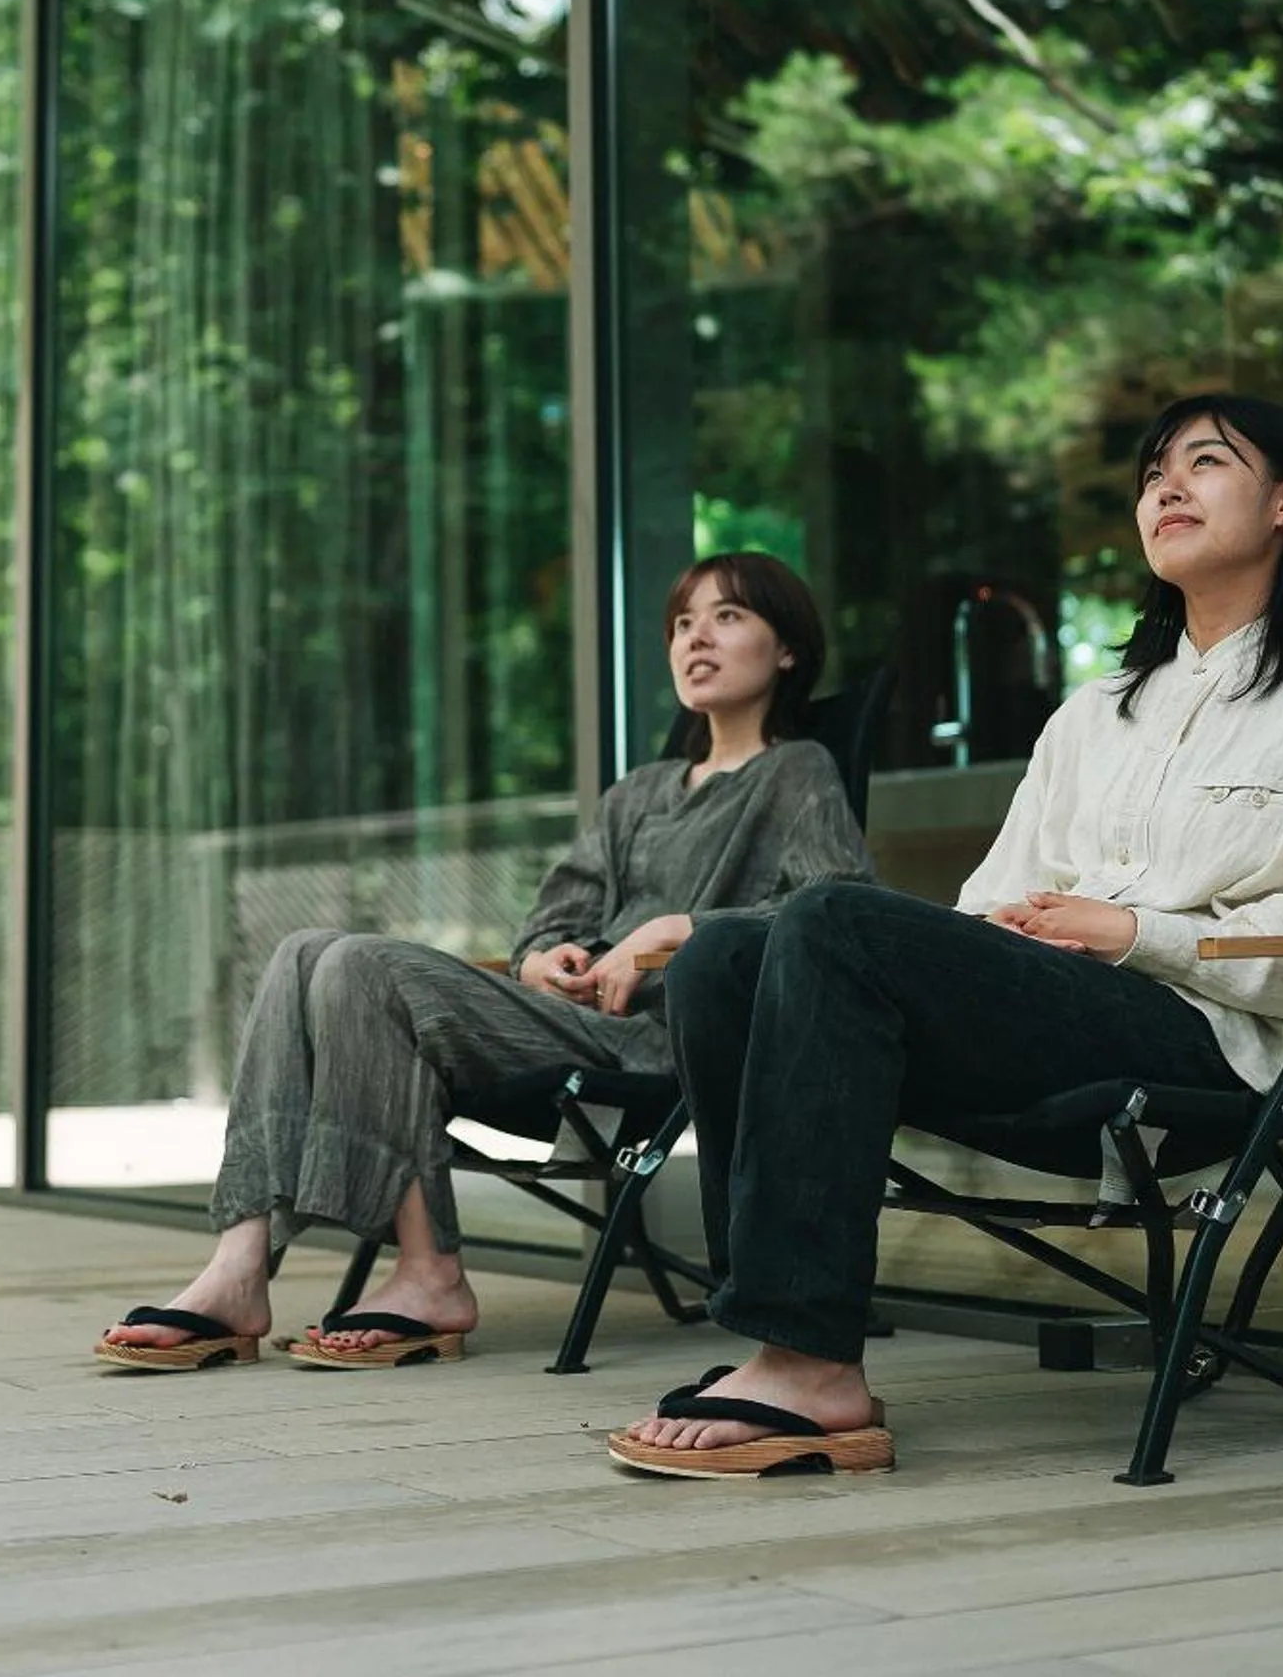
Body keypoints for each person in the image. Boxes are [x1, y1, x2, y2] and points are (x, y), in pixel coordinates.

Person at [610, 395, 1283, 1475]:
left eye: (1204, 464)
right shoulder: (1096, 713)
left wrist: (1133, 930)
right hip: (1048, 1023)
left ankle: (811, 1364)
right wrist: (1028, 937)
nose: (1164, 488)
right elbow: (991, 901)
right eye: (1150, 475)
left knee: (830, 915)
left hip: (1204, 1042)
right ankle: (778, 1333)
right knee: (725, 956)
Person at [97, 552, 874, 1373]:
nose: (695, 639)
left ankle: (429, 1277)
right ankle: (239, 1265)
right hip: (558, 1018)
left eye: (727, 617)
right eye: (683, 623)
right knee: (304, 952)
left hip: (650, 1042)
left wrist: (675, 931)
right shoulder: (638, 794)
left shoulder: (799, 771)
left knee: (361, 968)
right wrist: (542, 958)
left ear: (786, 650)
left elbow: (834, 908)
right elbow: (553, 915)